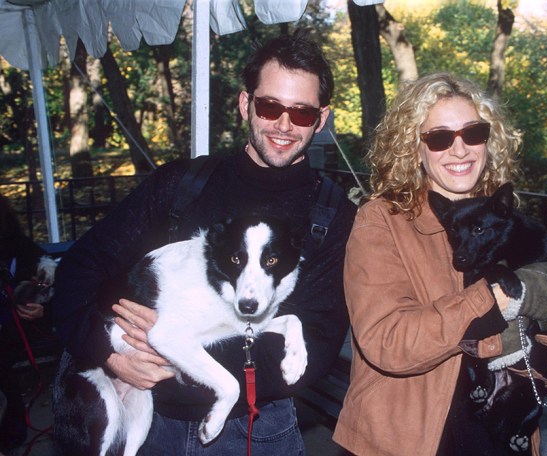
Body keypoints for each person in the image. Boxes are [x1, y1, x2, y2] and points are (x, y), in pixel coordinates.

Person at [51, 30, 356, 455]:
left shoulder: (332, 214)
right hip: (151, 418)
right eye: (270, 106)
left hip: (254, 426)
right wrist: (110, 354)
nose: (284, 125)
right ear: (246, 104)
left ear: (321, 120)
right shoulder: (182, 185)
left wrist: (176, 356)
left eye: (301, 114)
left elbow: (318, 345)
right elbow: (77, 271)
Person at [332, 73, 547, 456]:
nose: (460, 149)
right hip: (408, 441)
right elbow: (388, 342)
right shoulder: (382, 221)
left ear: (489, 140)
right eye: (440, 138)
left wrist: (539, 352)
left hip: (500, 437)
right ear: (413, 148)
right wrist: (494, 299)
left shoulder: (505, 221)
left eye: (473, 133)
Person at [0, 194, 56, 451]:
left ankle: (14, 423)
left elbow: (49, 270)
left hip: (22, 325)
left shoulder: (19, 246)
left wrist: (43, 305)